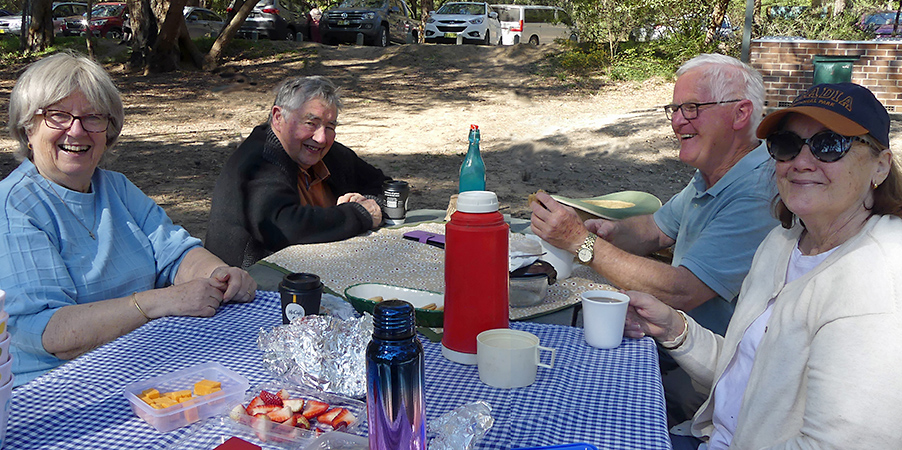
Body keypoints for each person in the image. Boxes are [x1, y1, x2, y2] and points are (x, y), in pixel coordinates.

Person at [627, 82, 902, 449]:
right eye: (787, 145)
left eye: (830, 144)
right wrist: (674, 329)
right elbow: (749, 375)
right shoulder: (783, 243)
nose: (801, 162)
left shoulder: (877, 279)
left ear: (880, 166)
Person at [530, 54, 778, 421]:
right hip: (670, 343)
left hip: (710, 378)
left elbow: (683, 290)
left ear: (740, 114)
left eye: (692, 108)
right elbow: (656, 229)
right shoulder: (716, 172)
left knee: (567, 385)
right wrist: (609, 233)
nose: (678, 121)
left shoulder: (758, 191)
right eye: (675, 109)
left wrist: (581, 243)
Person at [0, 51, 257, 387]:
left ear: (108, 130)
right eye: (58, 116)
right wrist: (159, 302)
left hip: (138, 365)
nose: (76, 130)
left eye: (93, 117)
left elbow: (177, 253)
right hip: (58, 389)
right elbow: (50, 332)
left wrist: (220, 275)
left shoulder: (115, 187)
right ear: (27, 128)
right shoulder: (14, 206)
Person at [204, 76, 391, 269]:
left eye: (330, 126)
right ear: (278, 118)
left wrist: (369, 202)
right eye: (310, 123)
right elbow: (285, 227)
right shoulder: (257, 161)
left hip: (315, 268)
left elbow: (388, 187)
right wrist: (359, 214)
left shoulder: (327, 153)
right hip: (250, 280)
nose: (321, 138)